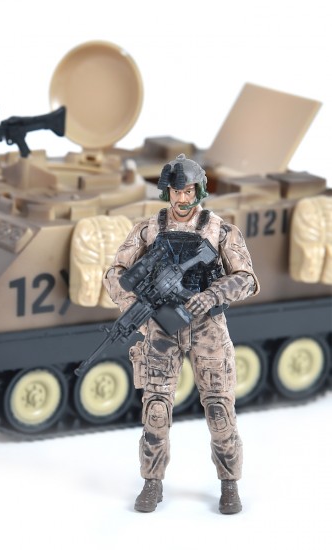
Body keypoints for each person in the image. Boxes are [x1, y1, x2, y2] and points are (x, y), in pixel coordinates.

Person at [103, 154, 259, 514]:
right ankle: (152, 482)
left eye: (188, 191)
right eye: (176, 192)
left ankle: (229, 484)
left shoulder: (220, 231)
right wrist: (138, 311)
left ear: (199, 191)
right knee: (156, 410)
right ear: (167, 192)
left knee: (219, 410)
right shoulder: (148, 229)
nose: (182, 199)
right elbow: (116, 273)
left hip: (207, 327)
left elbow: (247, 279)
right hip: (161, 327)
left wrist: (212, 296)